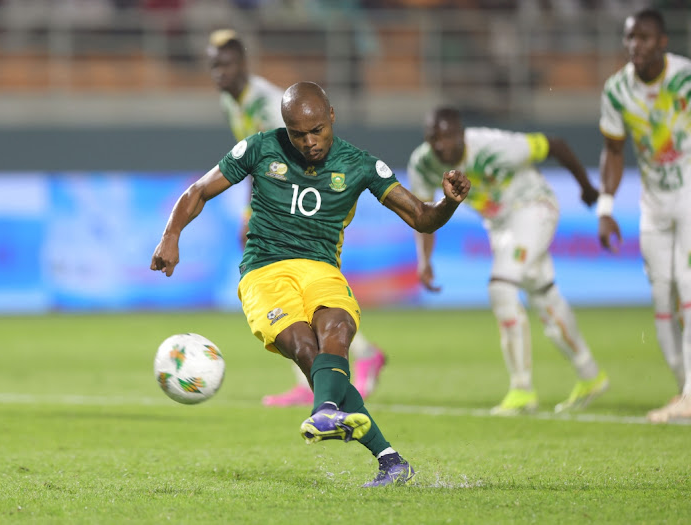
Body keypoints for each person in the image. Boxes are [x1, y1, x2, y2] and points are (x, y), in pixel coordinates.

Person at [151, 81, 470, 486]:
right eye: (298, 134)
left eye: (317, 130)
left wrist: (449, 203)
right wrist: (171, 235)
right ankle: (361, 437)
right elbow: (198, 191)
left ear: (332, 116)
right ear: (285, 128)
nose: (309, 142)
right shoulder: (260, 148)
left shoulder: (360, 165)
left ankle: (379, 454)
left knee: (338, 330)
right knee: (306, 348)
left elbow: (422, 218)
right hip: (265, 271)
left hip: (321, 267)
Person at [206, 29, 386, 407]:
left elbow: (294, 155)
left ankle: (363, 354)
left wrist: (258, 212)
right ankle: (314, 379)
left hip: (304, 198)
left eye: (225, 64)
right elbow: (253, 163)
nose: (219, 72)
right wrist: (248, 211)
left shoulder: (267, 103)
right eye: (213, 66)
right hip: (272, 198)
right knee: (289, 293)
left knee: (304, 288)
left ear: (243, 63)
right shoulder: (232, 103)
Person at [408, 107, 609, 416]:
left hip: (533, 206)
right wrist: (424, 260)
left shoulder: (493, 145)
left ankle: (522, 389)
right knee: (543, 295)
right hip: (501, 225)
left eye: (448, 136)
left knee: (501, 287)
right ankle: (590, 374)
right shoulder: (422, 164)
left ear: (461, 134)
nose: (441, 145)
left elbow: (555, 145)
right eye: (434, 138)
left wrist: (586, 187)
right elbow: (424, 214)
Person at [598, 8, 691, 423]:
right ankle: (686, 390)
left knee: (690, 289)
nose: (634, 46)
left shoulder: (688, 79)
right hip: (653, 203)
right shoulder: (617, 89)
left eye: (643, 38)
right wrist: (605, 206)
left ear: (662, 42)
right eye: (629, 38)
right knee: (661, 295)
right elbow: (615, 151)